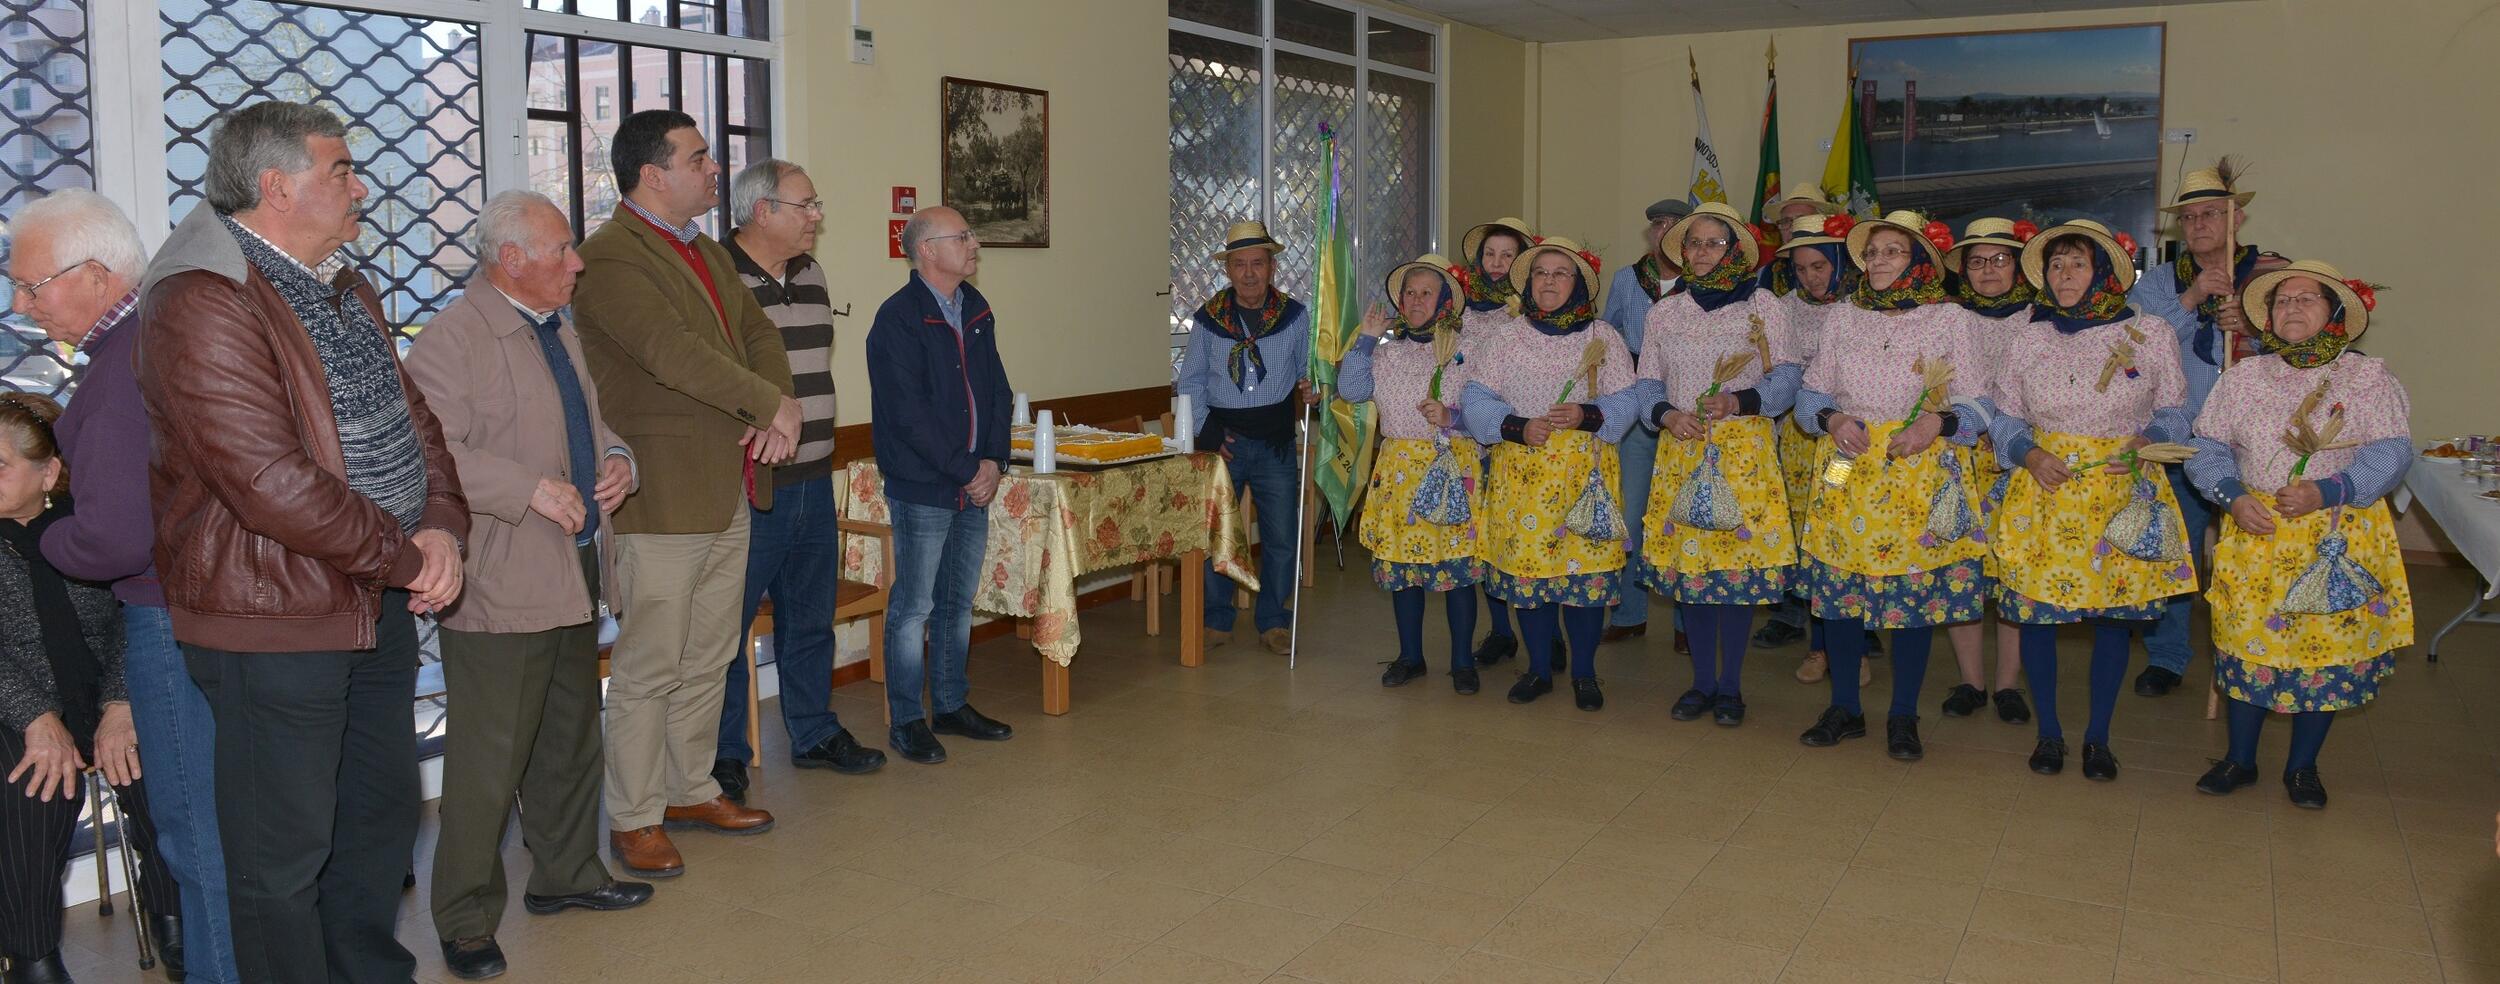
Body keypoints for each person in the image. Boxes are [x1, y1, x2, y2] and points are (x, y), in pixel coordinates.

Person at [136, 100, 468, 983]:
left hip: (372, 602)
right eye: (342, 170)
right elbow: (268, 483)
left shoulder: (343, 283)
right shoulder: (201, 300)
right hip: (275, 615)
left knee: (377, 820)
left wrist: (442, 524)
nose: (360, 187)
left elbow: (414, 422)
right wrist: (408, 555)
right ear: (277, 186)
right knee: (280, 857)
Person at [403, 191, 652, 980]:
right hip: (502, 580)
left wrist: (618, 460)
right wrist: (527, 488)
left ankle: (568, 875)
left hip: (572, 566)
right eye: (562, 250)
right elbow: (428, 456)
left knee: (572, 736)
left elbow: (590, 424)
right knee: (489, 758)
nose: (576, 262)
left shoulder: (558, 331)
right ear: (511, 259)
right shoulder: (453, 340)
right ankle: (466, 919)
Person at [12, 189, 235, 983]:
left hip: (164, 620)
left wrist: (50, 534)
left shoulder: (116, 373)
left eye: (33, 285)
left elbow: (114, 540)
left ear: (97, 274)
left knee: (192, 835)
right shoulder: (168, 335)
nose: (22, 303)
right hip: (212, 605)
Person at [573, 109, 792, 878]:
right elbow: (673, 355)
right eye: (699, 158)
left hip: (729, 481)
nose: (714, 170)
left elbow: (759, 335)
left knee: (710, 653)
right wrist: (771, 406)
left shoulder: (703, 248)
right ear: (652, 174)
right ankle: (635, 815)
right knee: (651, 662)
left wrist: (777, 407)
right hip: (660, 491)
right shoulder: (609, 257)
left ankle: (690, 787)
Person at [2186, 261, 2410, 809]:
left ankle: (2303, 768)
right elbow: (2208, 447)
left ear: (2334, 314)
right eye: (2282, 300)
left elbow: (2392, 452)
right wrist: (2232, 494)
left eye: (2306, 299)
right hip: (2255, 531)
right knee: (2246, 645)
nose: (2291, 308)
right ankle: (2239, 758)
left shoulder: (2366, 377)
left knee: (2324, 650)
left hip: (2334, 536)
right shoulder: (2242, 377)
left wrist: (2329, 490)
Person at [1987, 220, 2195, 780]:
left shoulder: (2149, 334)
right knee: (2038, 617)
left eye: (2077, 263)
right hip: (2045, 489)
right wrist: (2028, 454)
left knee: (2113, 620)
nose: (2065, 275)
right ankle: (2050, 734)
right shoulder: (2028, 336)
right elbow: (2004, 416)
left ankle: (2098, 737)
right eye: (2056, 266)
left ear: (2104, 271)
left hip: (2120, 491)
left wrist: (2147, 441)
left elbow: (2175, 410)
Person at [712, 159, 884, 803]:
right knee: (727, 628)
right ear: (764, 212)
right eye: (805, 205)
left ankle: (812, 734)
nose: (817, 217)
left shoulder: (810, 273)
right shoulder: (719, 276)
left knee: (809, 619)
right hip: (750, 487)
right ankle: (726, 753)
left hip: (815, 476)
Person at [1794, 210, 1992, 761]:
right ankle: (1844, 709)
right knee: (1837, 595)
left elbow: (1980, 404)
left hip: (1918, 466)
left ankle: (1903, 713)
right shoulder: (1842, 317)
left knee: (1911, 599)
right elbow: (1810, 396)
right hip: (1843, 466)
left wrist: (1938, 424)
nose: (1879, 261)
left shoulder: (1952, 320)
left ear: (1921, 262)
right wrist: (1831, 420)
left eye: (1893, 252)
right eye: (1873, 251)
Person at [0, 394, 175, 984]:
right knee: (32, 793)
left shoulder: (96, 530)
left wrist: (122, 704)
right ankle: (30, 956)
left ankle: (177, 919)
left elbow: (142, 615)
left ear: (47, 472)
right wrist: (35, 717)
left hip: (109, 696)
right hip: (12, 707)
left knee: (161, 774)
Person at [1627, 202, 1804, 727]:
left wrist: (1738, 402)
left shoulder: (1764, 306)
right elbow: (1646, 383)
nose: (1701, 253)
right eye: (1693, 244)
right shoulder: (1665, 312)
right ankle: (1702, 681)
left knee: (1736, 573)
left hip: (1743, 454)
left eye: (1712, 243)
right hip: (1683, 450)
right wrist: (1665, 414)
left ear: (1735, 251)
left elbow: (1787, 378)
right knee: (1695, 573)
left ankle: (1730, 687)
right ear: (1680, 252)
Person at [1459, 237, 1641, 710]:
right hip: (1522, 476)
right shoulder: (1506, 336)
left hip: (1586, 476)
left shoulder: (1602, 337)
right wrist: (1517, 426)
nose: (1549, 282)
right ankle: (1539, 669)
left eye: (1561, 274)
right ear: (1528, 282)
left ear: (1578, 284)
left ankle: (1584, 673)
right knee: (1530, 577)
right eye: (1541, 273)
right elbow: (1476, 399)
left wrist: (1586, 415)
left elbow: (1627, 400)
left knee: (1584, 578)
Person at [2129, 163, 2287, 698]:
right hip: (2183, 438)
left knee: (2257, 553)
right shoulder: (2158, 284)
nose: (2199, 225)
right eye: (2190, 217)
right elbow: (2130, 351)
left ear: (2236, 216)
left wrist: (2258, 331)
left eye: (2211, 214)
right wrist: (2191, 300)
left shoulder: (2275, 278)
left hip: (2260, 446)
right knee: (2177, 552)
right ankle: (2169, 656)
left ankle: (2256, 649)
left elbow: (2307, 354)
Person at [865, 206, 1016, 765]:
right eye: (963, 236)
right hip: (926, 484)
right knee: (914, 606)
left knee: (956, 602)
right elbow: (907, 414)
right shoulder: (898, 318)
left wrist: (995, 460)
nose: (974, 244)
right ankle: (906, 720)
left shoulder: (975, 307)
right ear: (927, 249)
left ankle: (951, 704)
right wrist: (966, 468)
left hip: (975, 478)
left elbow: (997, 388)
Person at [1340, 255, 1482, 694]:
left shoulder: (1467, 350)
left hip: (1451, 465)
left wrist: (1452, 415)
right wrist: (1364, 340)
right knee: (1404, 569)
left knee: (1456, 569)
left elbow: (1488, 412)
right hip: (1400, 470)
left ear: (1445, 301)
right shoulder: (1385, 352)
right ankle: (1410, 656)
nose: (1416, 300)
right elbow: (1352, 390)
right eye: (1409, 293)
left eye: (1426, 293)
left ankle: (1462, 661)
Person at [1176, 220, 1317, 656]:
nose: (1250, 273)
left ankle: (1273, 620)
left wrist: (1313, 388)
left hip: (1275, 443)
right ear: (1229, 270)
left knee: (1281, 535)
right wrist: (1207, 432)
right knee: (1217, 533)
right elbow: (1191, 381)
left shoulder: (1295, 317)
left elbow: (1305, 373)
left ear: (1272, 267)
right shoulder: (1208, 320)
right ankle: (1216, 619)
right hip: (1226, 444)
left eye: (1258, 263)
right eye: (1241, 264)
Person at [1753, 214, 1875, 690]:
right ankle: (1821, 647)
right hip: (1801, 446)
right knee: (1814, 547)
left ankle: (1855, 647)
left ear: (1842, 263)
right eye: (1802, 268)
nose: (1811, 277)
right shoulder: (1781, 309)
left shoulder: (1863, 309)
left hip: (1850, 449)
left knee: (1848, 542)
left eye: (1820, 266)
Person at [1940, 216, 2039, 724]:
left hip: (2022, 463)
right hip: (1959, 458)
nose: (1987, 270)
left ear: (2020, 267)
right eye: (1976, 262)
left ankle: (2008, 685)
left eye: (1999, 259)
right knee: (1964, 569)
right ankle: (1970, 681)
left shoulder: (2042, 321)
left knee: (2014, 571)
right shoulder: (1945, 318)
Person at [1600, 198, 1692, 648]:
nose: (1664, 232)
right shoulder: (1626, 279)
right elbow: (1605, 335)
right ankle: (1631, 612)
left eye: (1675, 225)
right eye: (1658, 224)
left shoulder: (1707, 284)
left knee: (1684, 514)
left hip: (1688, 412)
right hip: (1637, 409)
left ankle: (1685, 626)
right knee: (1632, 514)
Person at [1452, 217, 1537, 669]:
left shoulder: (1537, 306)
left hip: (1516, 438)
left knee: (1527, 538)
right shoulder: (1460, 309)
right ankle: (1501, 631)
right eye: (1490, 254)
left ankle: (1544, 636)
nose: (1498, 263)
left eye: (1508, 255)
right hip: (1467, 438)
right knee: (1484, 541)